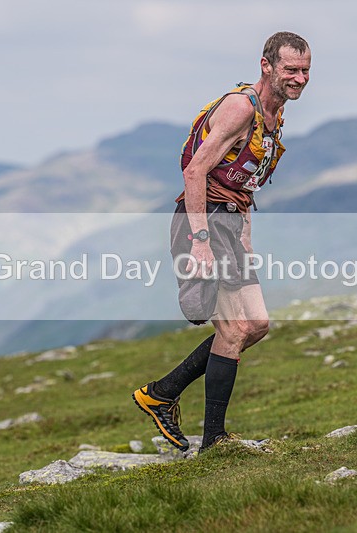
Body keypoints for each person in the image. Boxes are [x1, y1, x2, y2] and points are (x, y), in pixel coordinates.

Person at [133, 31, 311, 453]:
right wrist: (200, 241)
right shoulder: (239, 108)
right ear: (266, 65)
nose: (300, 78)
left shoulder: (274, 114)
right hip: (203, 223)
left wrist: (245, 234)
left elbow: (241, 180)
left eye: (305, 71)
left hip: (229, 224)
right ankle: (215, 441)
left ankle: (162, 392)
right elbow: (195, 172)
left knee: (257, 325)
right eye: (291, 70)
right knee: (232, 329)